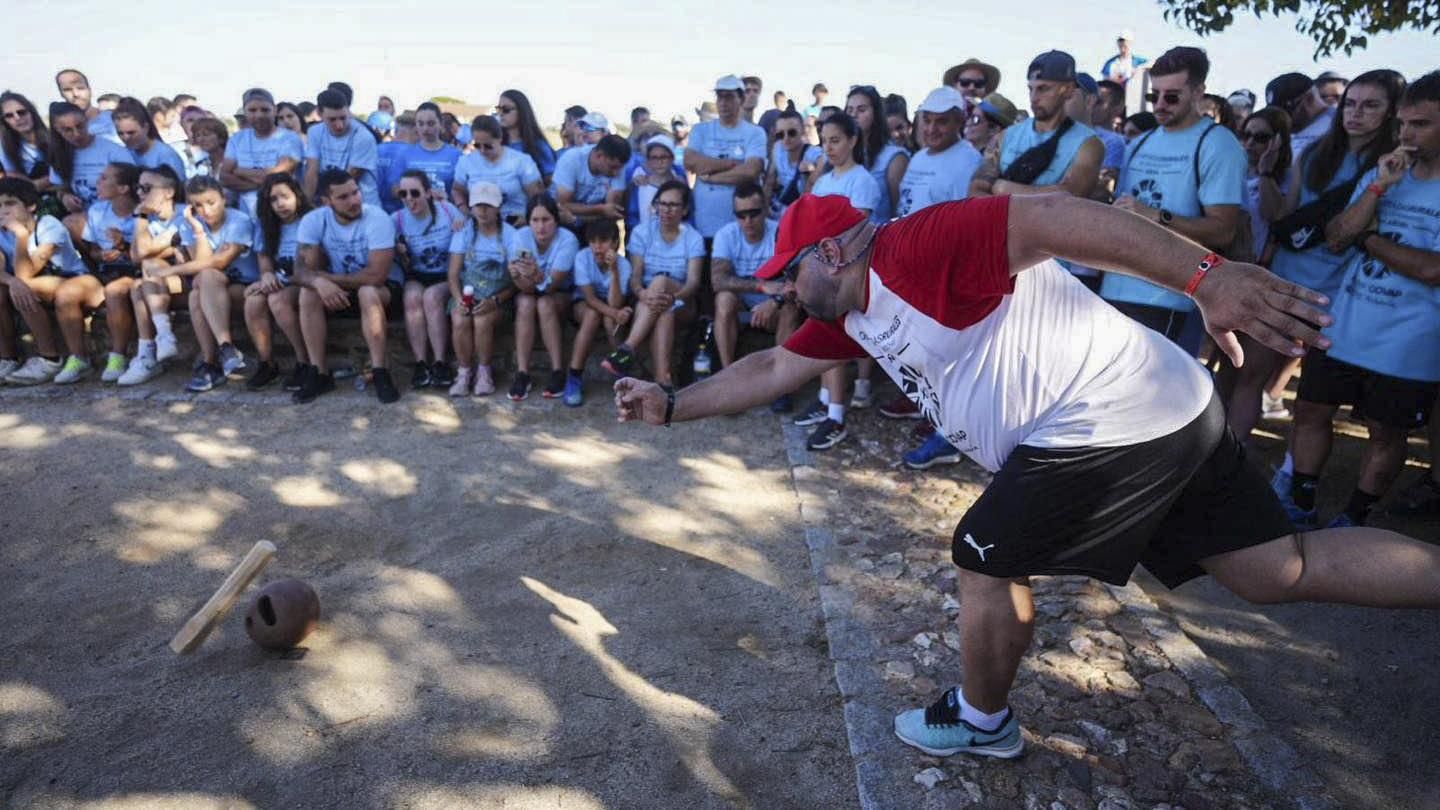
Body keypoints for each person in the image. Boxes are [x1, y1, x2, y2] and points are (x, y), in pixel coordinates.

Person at [612, 191, 1440, 765]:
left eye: (791, 272)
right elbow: (768, 370)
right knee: (1274, 571)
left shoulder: (918, 245)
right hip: (1168, 404)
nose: (784, 291)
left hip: (1109, 418)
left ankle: (983, 721)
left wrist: (1206, 277)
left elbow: (1053, 217)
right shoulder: (855, 310)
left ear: (831, 251)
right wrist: (672, 401)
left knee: (981, 554)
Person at [1278, 71, 1437, 530]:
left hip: (1410, 342)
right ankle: (1301, 501)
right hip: (1346, 325)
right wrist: (1378, 188)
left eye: (1420, 125)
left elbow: (1431, 269)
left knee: (1385, 433)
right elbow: (1335, 236)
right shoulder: (1385, 173)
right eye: (1404, 123)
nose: (1406, 134)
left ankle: (1354, 517)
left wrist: (1368, 241)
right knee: (1309, 411)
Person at [1262, 70, 1406, 471]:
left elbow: (1346, 238)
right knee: (1253, 374)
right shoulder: (1313, 155)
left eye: (1371, 105)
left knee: (1313, 400)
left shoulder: (1394, 167)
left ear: (1393, 112)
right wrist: (1267, 172)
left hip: (1341, 296)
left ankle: (1293, 474)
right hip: (1287, 279)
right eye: (1350, 103)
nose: (1355, 113)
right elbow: (1283, 219)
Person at [1100, 46, 1247, 352]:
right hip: (1115, 288)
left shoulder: (1219, 144)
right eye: (1155, 96)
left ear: (1198, 92)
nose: (1161, 105)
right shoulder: (1140, 142)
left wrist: (1156, 216)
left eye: (1172, 96)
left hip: (1171, 297)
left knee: (1153, 397)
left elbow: (1223, 229)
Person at [292, 169, 400, 404]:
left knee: (367, 292)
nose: (354, 201)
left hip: (383, 290)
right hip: (339, 288)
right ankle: (318, 372)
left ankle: (381, 371)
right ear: (326, 201)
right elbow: (299, 272)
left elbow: (377, 276)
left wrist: (326, 279)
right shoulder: (313, 220)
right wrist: (319, 281)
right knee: (307, 293)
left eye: (355, 193)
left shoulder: (377, 218)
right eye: (343, 197)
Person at [1218, 106, 1295, 436]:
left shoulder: (1289, 177)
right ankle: (1211, 444)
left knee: (1252, 372)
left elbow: (1276, 215)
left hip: (1268, 283)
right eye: (1246, 134)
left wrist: (1266, 173)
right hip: (1226, 279)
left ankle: (1236, 451)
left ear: (1278, 141)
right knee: (1227, 368)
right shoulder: (1229, 170)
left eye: (1261, 137)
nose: (1250, 143)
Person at [602, 180, 704, 388]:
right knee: (664, 310)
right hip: (649, 300)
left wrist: (673, 296)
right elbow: (636, 277)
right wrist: (642, 294)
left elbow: (693, 283)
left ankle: (627, 348)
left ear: (684, 210)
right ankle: (663, 380)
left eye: (673, 205)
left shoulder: (693, 238)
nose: (666, 210)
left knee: (661, 281)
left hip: (683, 299)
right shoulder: (642, 232)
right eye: (662, 204)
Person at [710, 181, 796, 408]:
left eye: (754, 213)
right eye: (741, 214)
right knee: (724, 299)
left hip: (774, 304)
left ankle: (781, 384)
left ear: (766, 209)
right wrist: (760, 286)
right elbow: (718, 280)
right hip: (745, 301)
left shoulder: (780, 232)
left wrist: (773, 301)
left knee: (790, 306)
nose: (747, 220)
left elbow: (795, 281)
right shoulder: (726, 235)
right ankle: (728, 379)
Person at [0, 176, 94, 385]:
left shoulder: (49, 225)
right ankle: (7, 358)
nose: (4, 211)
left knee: (26, 286)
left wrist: (22, 237)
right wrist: (12, 282)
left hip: (74, 280)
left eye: (10, 203)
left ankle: (49, 358)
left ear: (31, 205)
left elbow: (26, 275)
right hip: (31, 284)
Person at [178, 176, 260, 391]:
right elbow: (201, 266)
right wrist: (198, 230)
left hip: (245, 286)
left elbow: (219, 263)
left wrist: (210, 262)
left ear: (223, 199)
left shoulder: (239, 220)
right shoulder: (190, 224)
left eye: (211, 202)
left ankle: (219, 353)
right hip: (211, 290)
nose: (205, 210)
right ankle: (217, 358)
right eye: (197, 205)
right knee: (198, 292)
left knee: (207, 277)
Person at [118, 166, 190, 384]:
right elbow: (135, 256)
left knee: (150, 265)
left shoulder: (185, 214)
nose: (140, 194)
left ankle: (151, 348)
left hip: (188, 280)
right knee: (138, 286)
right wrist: (142, 218)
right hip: (159, 287)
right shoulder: (147, 218)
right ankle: (154, 345)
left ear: (169, 192)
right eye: (138, 188)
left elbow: (144, 253)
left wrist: (141, 219)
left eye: (147, 188)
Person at [72, 162, 144, 382]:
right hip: (108, 271)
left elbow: (145, 256)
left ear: (123, 188)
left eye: (104, 178)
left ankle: (118, 355)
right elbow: (93, 250)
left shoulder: (142, 212)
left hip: (139, 272)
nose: (98, 182)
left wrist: (123, 246)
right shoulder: (97, 210)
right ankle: (76, 358)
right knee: (69, 292)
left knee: (114, 290)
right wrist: (102, 255)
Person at [393, 170, 465, 389]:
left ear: (428, 193)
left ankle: (440, 362)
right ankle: (421, 363)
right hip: (418, 273)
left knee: (432, 297)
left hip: (447, 273)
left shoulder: (447, 210)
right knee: (412, 299)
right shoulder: (396, 220)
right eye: (403, 194)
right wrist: (398, 249)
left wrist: (460, 224)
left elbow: (465, 237)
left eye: (415, 193)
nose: (409, 199)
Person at [447, 181, 519, 397]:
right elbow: (453, 274)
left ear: (498, 208)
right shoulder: (464, 232)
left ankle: (484, 372)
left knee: (483, 319)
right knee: (459, 318)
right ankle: (464, 372)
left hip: (499, 296)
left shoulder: (511, 235)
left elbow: (516, 281)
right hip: (469, 292)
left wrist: (495, 300)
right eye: (478, 205)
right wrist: (459, 299)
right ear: (471, 207)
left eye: (488, 205)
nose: (483, 210)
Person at [242, 172, 312, 391]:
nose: (280, 204)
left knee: (277, 299)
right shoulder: (265, 225)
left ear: (297, 195)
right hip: (283, 279)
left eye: (285, 196)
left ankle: (304, 361)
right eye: (273, 199)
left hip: (306, 281)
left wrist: (278, 281)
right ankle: (266, 362)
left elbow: (313, 265)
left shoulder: (310, 220)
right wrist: (266, 276)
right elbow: (264, 260)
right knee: (253, 301)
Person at [508, 193, 577, 400]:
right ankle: (522, 373)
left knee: (545, 303)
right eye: (535, 220)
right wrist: (524, 277)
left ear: (556, 220)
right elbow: (521, 285)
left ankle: (557, 370)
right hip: (529, 292)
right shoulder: (520, 237)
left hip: (560, 294)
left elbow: (552, 286)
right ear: (528, 221)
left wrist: (534, 275)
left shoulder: (567, 240)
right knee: (526, 303)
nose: (540, 226)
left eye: (546, 219)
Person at [687, 76, 768, 242]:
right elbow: (690, 161)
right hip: (705, 227)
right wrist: (731, 164)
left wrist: (711, 176)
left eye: (729, 96)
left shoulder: (755, 133)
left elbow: (750, 171)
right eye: (720, 96)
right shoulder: (700, 130)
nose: (723, 102)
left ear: (741, 99)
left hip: (743, 228)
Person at [564, 217, 633, 406]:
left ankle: (621, 373)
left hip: (610, 305)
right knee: (593, 315)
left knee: (611, 321)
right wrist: (614, 312)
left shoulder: (624, 265)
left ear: (615, 243)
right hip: (584, 303)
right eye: (593, 241)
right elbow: (589, 298)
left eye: (603, 241)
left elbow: (615, 301)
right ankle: (574, 376)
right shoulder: (582, 257)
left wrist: (614, 271)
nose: (597, 247)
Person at [895, 87, 982, 217]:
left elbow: (966, 217)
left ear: (959, 122)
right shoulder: (919, 157)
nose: (931, 129)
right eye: (927, 120)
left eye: (941, 121)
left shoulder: (969, 161)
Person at [219, 89, 304, 219]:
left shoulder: (290, 138)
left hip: (281, 212)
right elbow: (224, 177)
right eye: (252, 110)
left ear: (274, 110)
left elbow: (279, 176)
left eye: (265, 110)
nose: (259, 115)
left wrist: (239, 171)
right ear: (245, 111)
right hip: (246, 214)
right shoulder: (237, 139)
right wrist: (264, 182)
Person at [453, 115, 543, 228]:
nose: (482, 150)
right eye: (477, 145)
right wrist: (465, 211)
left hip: (515, 224)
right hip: (481, 226)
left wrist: (528, 218)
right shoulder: (466, 162)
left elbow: (538, 197)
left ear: (500, 139)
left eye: (488, 146)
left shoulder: (521, 161)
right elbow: (457, 190)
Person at [47, 102, 134, 214]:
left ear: (86, 120)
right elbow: (59, 187)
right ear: (58, 130)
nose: (76, 134)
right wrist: (65, 197)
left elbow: (133, 188)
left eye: (80, 126)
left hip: (113, 213)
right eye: (68, 130)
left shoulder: (114, 151)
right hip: (82, 213)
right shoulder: (59, 154)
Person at [303, 89, 380, 207]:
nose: (339, 125)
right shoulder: (314, 132)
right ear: (319, 113)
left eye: (343, 118)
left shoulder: (363, 136)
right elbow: (312, 171)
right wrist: (306, 205)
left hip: (363, 205)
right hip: (332, 201)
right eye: (332, 119)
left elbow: (349, 178)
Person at [847, 85, 910, 224]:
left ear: (876, 113)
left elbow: (900, 211)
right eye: (849, 110)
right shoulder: (841, 155)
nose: (853, 115)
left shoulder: (894, 157)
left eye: (861, 109)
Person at [551, 134, 630, 232]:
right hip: (563, 224)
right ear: (599, 156)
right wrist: (600, 209)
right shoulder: (571, 160)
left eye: (619, 168)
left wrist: (580, 217)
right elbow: (564, 205)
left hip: (593, 225)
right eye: (612, 167)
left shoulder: (617, 165)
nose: (616, 173)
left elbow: (612, 211)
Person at [765, 109, 821, 221]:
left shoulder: (814, 154)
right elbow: (769, 182)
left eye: (792, 133)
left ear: (803, 131)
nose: (786, 138)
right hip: (778, 215)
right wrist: (764, 210)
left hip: (803, 216)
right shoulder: (778, 148)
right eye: (780, 134)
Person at [112, 98, 187, 181]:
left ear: (146, 127)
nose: (126, 138)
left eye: (131, 133)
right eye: (120, 133)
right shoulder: (121, 154)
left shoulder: (166, 156)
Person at [1267, 72, 1334, 161]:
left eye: (1286, 112)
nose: (1281, 119)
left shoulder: (1339, 125)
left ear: (1309, 99)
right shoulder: (1290, 133)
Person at [497, 90, 557, 184]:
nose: (501, 113)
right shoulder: (495, 145)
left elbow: (550, 181)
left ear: (521, 111)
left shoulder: (538, 146)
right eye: (498, 109)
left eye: (506, 109)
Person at [628, 132, 685, 229]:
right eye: (654, 158)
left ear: (672, 158)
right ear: (648, 160)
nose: (659, 162)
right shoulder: (640, 184)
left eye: (663, 157)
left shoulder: (679, 184)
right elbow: (633, 216)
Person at [2, 92, 53, 191]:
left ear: (31, 112)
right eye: (9, 115)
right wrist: (54, 179)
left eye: (21, 112)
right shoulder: (5, 149)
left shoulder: (54, 138)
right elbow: (21, 188)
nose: (17, 118)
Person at [54, 69, 119, 144]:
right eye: (67, 90)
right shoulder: (64, 134)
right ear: (61, 94)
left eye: (80, 88)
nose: (75, 94)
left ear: (89, 90)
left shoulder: (114, 118)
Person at [375, 113, 416, 213]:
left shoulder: (376, 149)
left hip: (374, 212)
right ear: (416, 131)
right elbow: (396, 189)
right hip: (402, 215)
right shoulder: (414, 154)